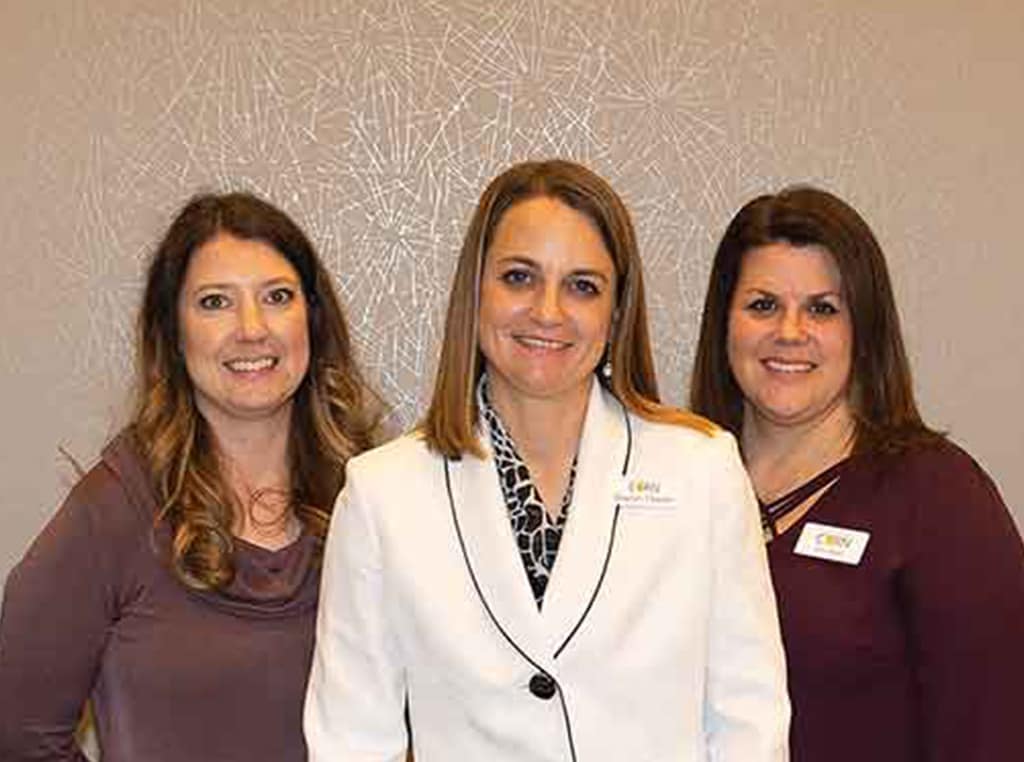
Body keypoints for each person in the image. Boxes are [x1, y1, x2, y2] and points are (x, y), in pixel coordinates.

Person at [304, 159, 789, 761]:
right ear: (475, 291)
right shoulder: (384, 494)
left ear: (616, 314)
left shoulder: (702, 471)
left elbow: (749, 718)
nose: (548, 312)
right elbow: (351, 740)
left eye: (582, 286)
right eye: (519, 278)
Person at [0, 192, 379, 762]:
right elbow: (17, 731)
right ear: (173, 336)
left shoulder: (374, 499)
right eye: (214, 302)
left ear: (313, 320)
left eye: (277, 297)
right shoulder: (113, 512)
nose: (252, 329)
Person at [689, 185, 1024, 762]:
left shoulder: (937, 496)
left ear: (863, 331)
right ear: (725, 324)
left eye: (823, 308)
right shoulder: (680, 485)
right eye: (763, 304)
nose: (789, 332)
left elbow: (991, 727)